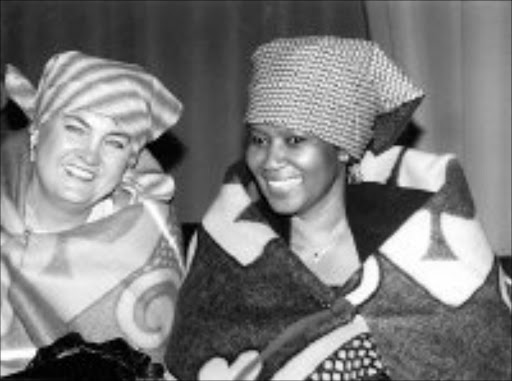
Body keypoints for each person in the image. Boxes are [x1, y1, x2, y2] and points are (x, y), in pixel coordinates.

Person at [165, 36, 511, 380]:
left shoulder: (431, 242)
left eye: (295, 140)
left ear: (344, 148)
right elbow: (189, 359)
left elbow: (487, 358)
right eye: (259, 139)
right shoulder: (228, 248)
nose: (270, 160)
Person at [0, 51, 186, 378]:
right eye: (75, 127)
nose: (89, 155)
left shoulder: (149, 240)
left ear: (130, 162)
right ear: (37, 131)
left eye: (114, 143)